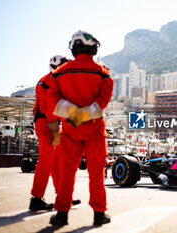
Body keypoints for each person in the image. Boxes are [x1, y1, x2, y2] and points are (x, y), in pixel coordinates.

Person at [47, 30, 114, 226]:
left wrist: (73, 116)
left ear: (73, 48)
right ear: (93, 48)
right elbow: (103, 101)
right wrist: (84, 115)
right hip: (94, 130)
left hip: (70, 130)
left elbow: (53, 102)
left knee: (67, 172)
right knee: (96, 173)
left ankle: (61, 214)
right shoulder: (103, 73)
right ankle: (99, 213)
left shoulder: (60, 73)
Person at [29, 55, 69, 211]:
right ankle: (36, 199)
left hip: (48, 123)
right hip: (47, 124)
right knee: (46, 161)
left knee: (57, 162)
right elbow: (52, 109)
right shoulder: (52, 82)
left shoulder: (45, 79)